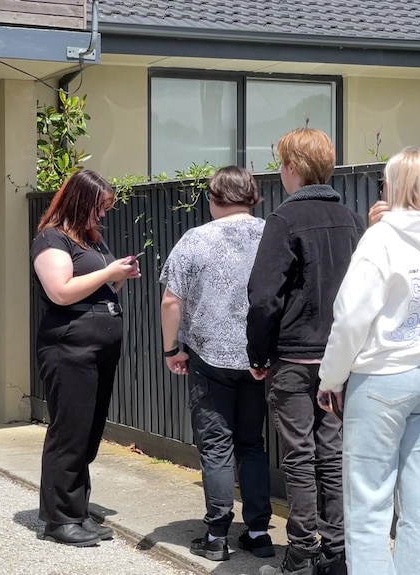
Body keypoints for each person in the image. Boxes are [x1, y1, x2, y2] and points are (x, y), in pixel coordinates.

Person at [317, 147, 420, 575]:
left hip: (381, 377)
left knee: (368, 503)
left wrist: (331, 379)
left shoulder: (381, 237)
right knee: (418, 498)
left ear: (391, 185)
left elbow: (352, 316)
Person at [247, 127, 365, 575]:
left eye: (281, 163)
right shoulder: (353, 221)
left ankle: (300, 551)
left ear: (292, 168)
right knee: (331, 453)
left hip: (293, 358)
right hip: (339, 359)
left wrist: (258, 355)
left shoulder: (284, 220)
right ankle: (336, 551)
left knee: (298, 454)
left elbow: (263, 297)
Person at [159, 166, 273, 562]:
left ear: (213, 198)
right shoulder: (270, 234)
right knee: (252, 444)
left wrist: (172, 349)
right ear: (252, 196)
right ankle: (259, 532)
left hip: (209, 358)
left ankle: (217, 535)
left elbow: (172, 301)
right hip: (258, 360)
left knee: (216, 445)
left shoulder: (196, 238)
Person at [30, 169, 141, 547]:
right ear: (80, 202)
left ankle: (77, 510)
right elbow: (61, 292)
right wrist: (108, 271)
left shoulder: (89, 240)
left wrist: (119, 276)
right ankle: (59, 519)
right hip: (69, 346)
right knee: (70, 429)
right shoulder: (51, 239)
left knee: (89, 431)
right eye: (98, 207)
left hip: (99, 344)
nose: (103, 215)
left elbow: (97, 287)